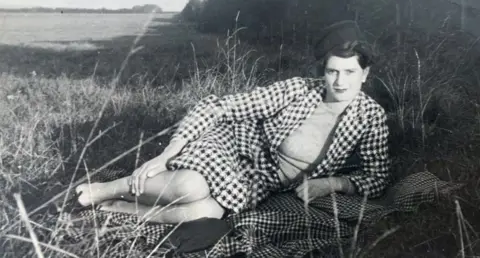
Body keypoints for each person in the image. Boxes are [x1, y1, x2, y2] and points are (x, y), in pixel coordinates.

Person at [74, 20, 392, 224]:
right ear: (323, 71)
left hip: (259, 181)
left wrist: (335, 183)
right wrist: (166, 155)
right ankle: (105, 189)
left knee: (204, 212)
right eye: (332, 71)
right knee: (189, 186)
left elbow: (379, 177)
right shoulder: (300, 89)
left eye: (349, 72)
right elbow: (218, 107)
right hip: (233, 145)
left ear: (364, 75)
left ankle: (125, 208)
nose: (339, 81)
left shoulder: (370, 118)